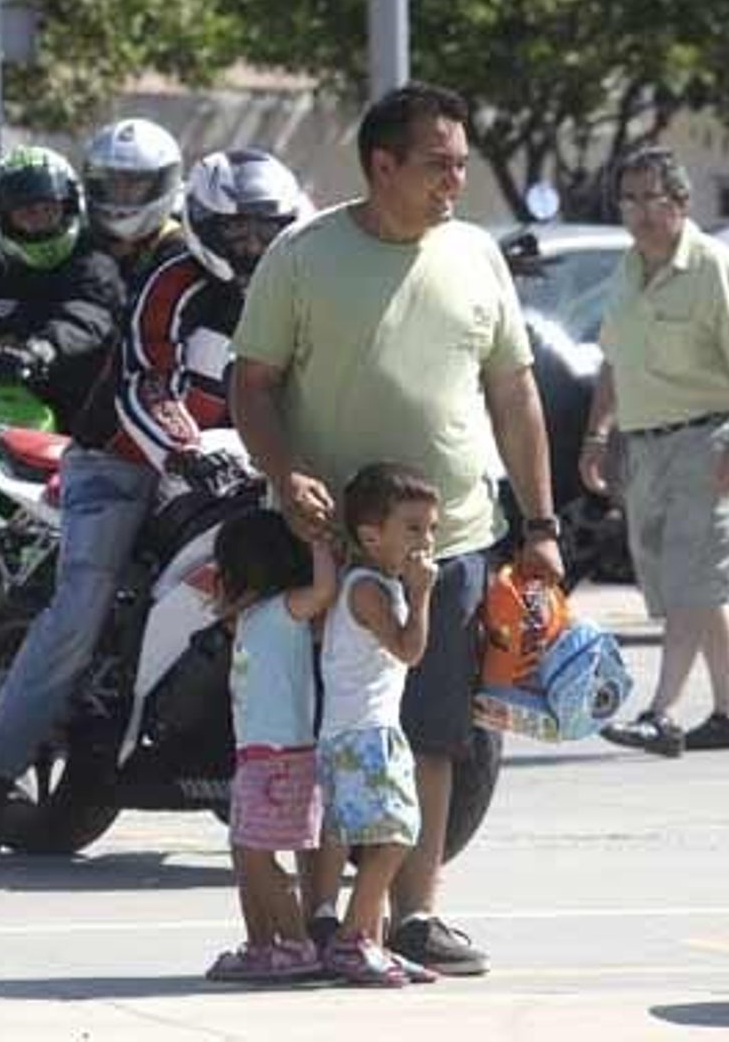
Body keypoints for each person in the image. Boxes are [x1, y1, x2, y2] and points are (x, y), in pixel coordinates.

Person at [230, 81, 564, 977]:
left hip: (445, 541)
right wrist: (283, 472)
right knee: (315, 734)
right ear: (382, 164)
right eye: (437, 164)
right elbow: (251, 382)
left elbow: (514, 391)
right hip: (323, 546)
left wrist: (540, 523)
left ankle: (412, 916)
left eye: (460, 162)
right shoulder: (302, 256)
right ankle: (321, 918)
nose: (455, 179)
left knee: (430, 731)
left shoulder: (476, 256)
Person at [0, 148, 313, 849]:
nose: (251, 245)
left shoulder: (300, 283)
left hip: (249, 464)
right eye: (236, 230)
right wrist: (187, 453)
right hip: (122, 462)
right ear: (205, 224)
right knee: (82, 603)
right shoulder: (171, 278)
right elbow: (149, 384)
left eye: (263, 229)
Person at [586, 147, 729, 758]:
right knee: (689, 588)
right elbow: (612, 362)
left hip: (712, 441)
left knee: (697, 585)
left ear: (682, 203)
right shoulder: (626, 272)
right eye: (631, 198)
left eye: (654, 198)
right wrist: (597, 436)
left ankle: (661, 713)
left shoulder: (717, 267)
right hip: (647, 451)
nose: (641, 211)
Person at [311, 462, 442, 987]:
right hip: (366, 734)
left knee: (357, 833)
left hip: (356, 730)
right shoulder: (369, 589)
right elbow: (410, 650)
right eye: (413, 528)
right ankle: (352, 939)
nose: (425, 540)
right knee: (395, 834)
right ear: (371, 534)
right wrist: (423, 594)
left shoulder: (372, 583)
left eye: (432, 528)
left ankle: (372, 941)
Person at [202, 509, 334, 983]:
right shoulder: (253, 618)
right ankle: (261, 945)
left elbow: (323, 592)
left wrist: (320, 540)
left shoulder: (285, 610)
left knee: (257, 856)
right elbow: (224, 613)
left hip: (280, 761)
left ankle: (295, 943)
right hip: (258, 758)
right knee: (244, 852)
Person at [0, 145, 127, 432]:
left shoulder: (91, 255)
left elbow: (89, 314)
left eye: (48, 210)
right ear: (5, 217)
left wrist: (41, 349)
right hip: (0, 408)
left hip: (82, 420)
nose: (38, 220)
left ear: (67, 207)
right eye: (27, 213)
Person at [81, 117, 185, 292]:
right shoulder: (81, 240)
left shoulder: (180, 251)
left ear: (163, 182)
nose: (121, 190)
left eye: (135, 181)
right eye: (112, 180)